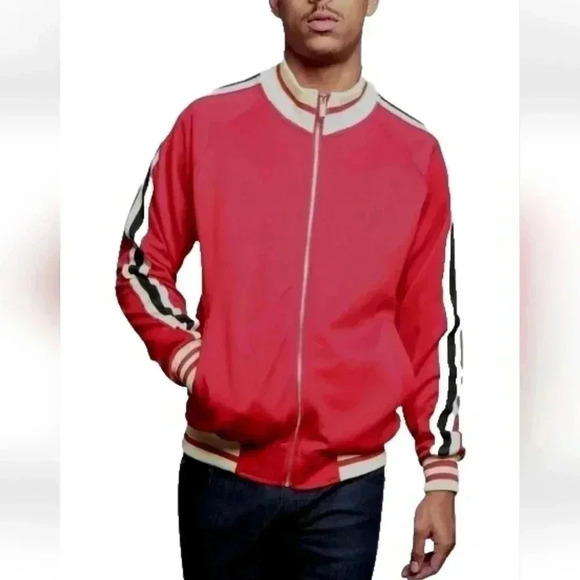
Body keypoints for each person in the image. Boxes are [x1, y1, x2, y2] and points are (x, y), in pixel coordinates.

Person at [115, 0, 465, 578]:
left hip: (347, 491)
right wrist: (200, 364)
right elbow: (140, 262)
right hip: (221, 477)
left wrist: (440, 474)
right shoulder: (208, 124)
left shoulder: (415, 154)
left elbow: (432, 324)